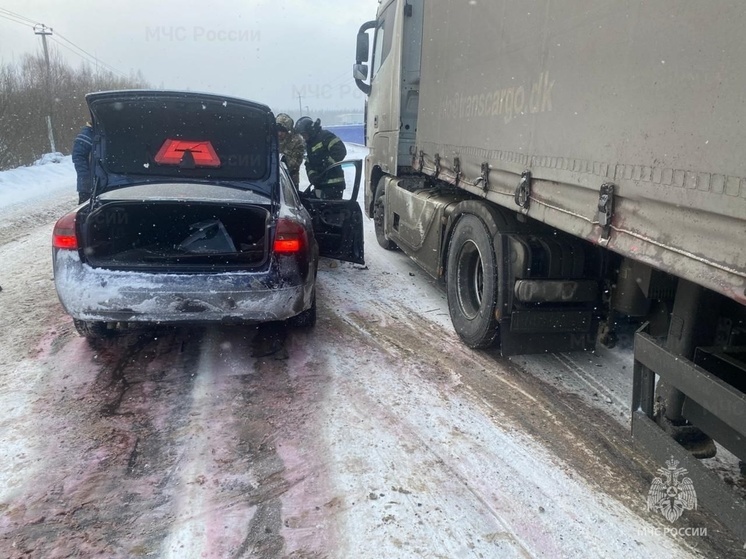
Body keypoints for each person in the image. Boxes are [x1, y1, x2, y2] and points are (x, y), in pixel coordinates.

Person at [294, 116, 347, 199]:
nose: (303, 137)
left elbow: (340, 151)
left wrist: (325, 166)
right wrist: (313, 176)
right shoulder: (310, 144)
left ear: (310, 130)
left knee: (332, 209)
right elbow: (309, 162)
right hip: (320, 185)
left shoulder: (325, 136)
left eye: (304, 134)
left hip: (334, 184)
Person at [275, 113, 305, 186]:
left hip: (290, 180)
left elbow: (294, 163)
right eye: (278, 130)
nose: (279, 133)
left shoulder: (297, 141)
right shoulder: (272, 139)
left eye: (282, 131)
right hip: (272, 179)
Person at [72, 122, 94, 204]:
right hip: (89, 188)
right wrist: (86, 178)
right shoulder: (88, 133)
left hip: (112, 185)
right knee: (85, 213)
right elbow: (78, 156)